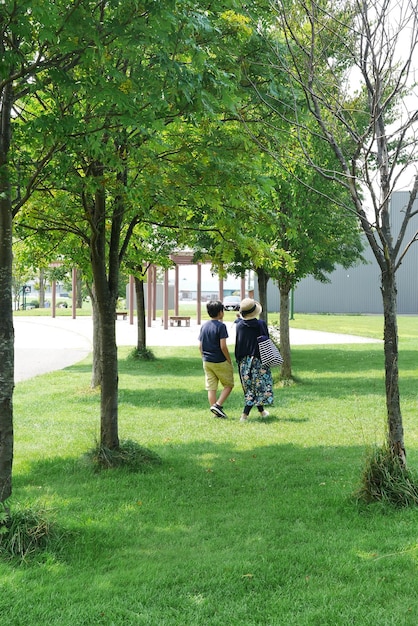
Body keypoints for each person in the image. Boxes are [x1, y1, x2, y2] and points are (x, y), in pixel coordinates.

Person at [235, 298, 274, 422]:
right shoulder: (260, 324)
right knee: (259, 387)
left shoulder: (239, 325)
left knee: (249, 387)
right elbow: (266, 340)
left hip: (244, 362)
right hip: (259, 360)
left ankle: (262, 412)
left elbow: (238, 344)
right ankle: (244, 415)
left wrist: (238, 360)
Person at [198, 300, 234, 419]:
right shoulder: (221, 326)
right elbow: (223, 346)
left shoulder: (204, 326)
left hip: (207, 361)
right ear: (220, 312)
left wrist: (203, 356)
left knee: (211, 387)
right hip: (219, 360)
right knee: (228, 385)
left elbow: (200, 345)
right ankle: (217, 405)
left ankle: (215, 411)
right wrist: (228, 360)